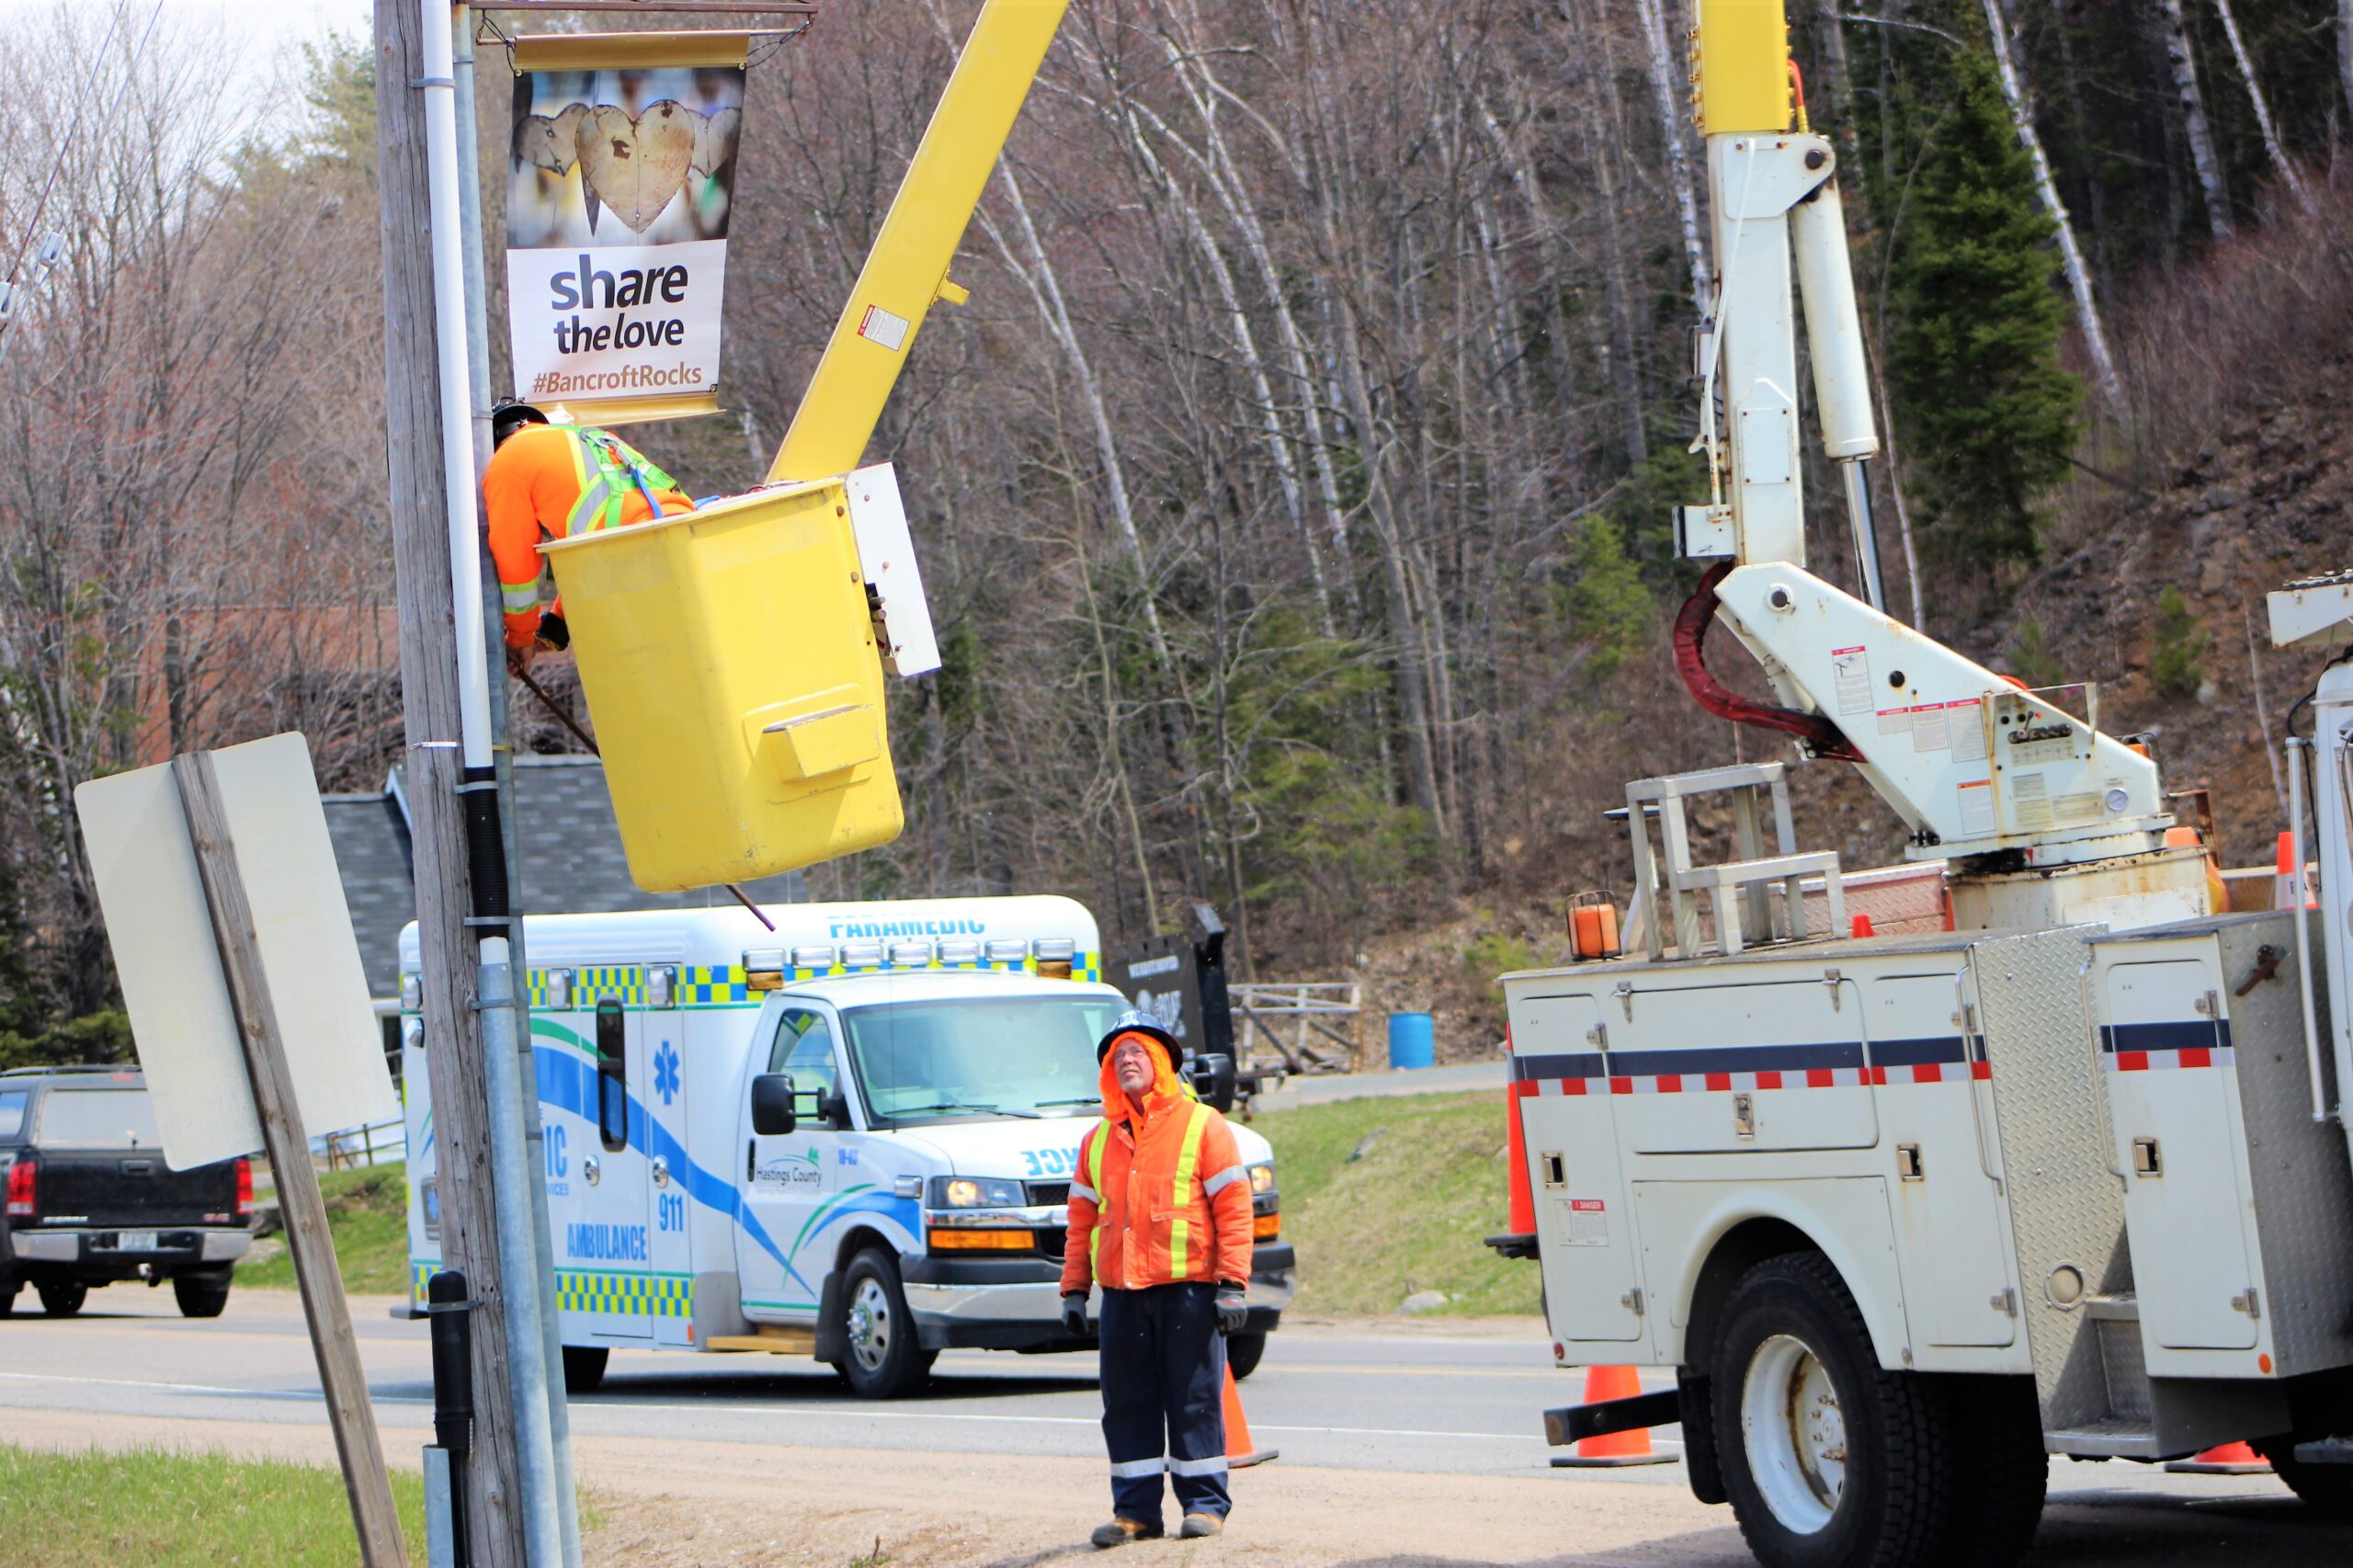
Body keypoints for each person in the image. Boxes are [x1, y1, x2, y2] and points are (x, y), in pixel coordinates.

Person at [1061, 1012, 1254, 1547]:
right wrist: (1074, 1290)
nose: (1126, 1061)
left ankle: (1206, 1506)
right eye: (1117, 1055)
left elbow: (1235, 1209)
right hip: (1123, 1296)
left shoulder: (1203, 1124)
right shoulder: (1096, 1141)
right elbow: (1081, 1221)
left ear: (1163, 1063)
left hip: (1188, 1291)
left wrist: (1233, 1282)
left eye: (1137, 1052)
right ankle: (1136, 1514)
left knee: (1193, 1399)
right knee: (1126, 1403)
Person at [483, 399, 696, 665]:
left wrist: (519, 639)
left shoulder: (505, 464)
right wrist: (557, 626)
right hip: (688, 540)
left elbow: (517, 567)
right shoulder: (591, 437)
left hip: (635, 560)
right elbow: (604, 530)